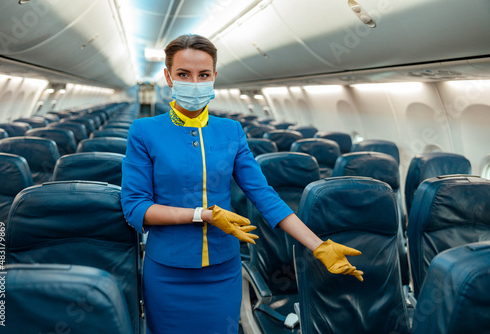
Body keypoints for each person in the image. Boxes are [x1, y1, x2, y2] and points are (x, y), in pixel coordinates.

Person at [121, 34, 363, 334]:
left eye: (203, 75)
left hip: (222, 271)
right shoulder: (145, 131)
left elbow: (264, 196)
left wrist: (318, 245)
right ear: (168, 76)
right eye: (184, 74)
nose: (194, 82)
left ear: (214, 77)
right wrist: (203, 215)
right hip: (168, 272)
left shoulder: (231, 131)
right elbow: (135, 208)